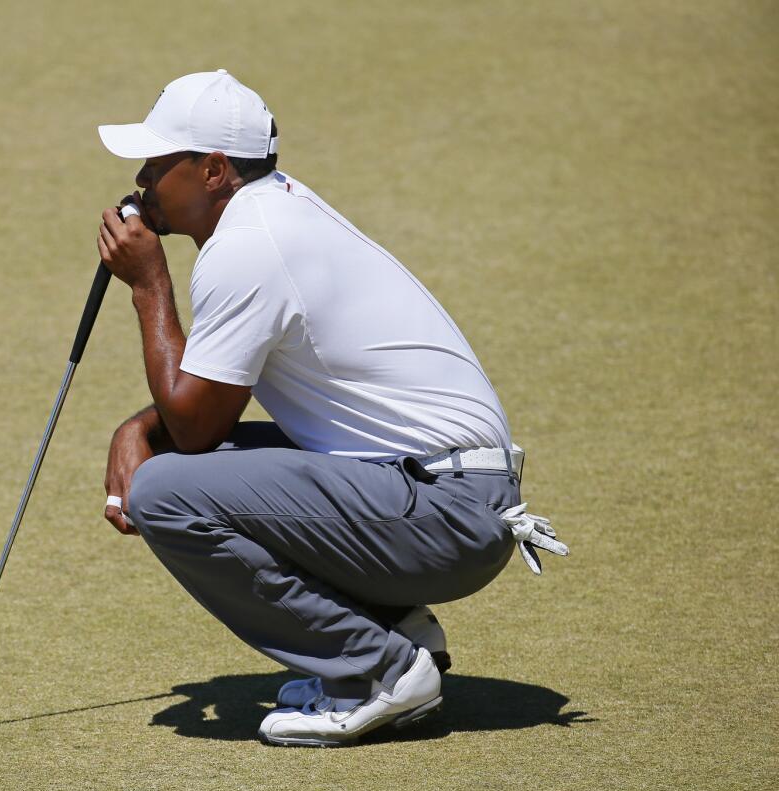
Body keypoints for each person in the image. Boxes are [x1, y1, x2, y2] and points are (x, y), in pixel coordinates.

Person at [94, 70, 568, 747]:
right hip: (441, 494)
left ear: (213, 171)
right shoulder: (276, 210)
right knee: (175, 463)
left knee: (165, 491)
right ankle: (396, 629)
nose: (141, 177)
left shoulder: (250, 246)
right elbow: (209, 401)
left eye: (159, 162)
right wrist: (138, 427)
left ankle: (378, 669)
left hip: (445, 514)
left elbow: (196, 428)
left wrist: (148, 286)